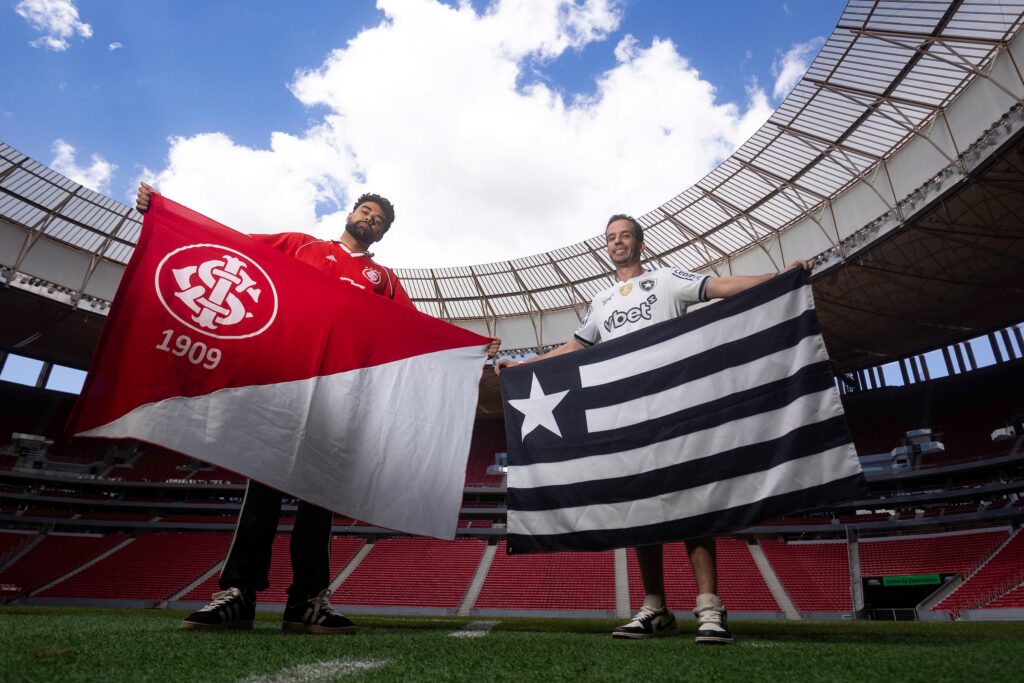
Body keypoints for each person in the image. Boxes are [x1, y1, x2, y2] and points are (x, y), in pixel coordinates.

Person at [136, 182, 499, 634]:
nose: (370, 219)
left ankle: (307, 601)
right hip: (282, 388)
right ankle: (237, 595)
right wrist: (169, 215)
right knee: (260, 495)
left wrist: (466, 348)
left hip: (340, 397)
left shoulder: (383, 280)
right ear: (350, 214)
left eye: (379, 220)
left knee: (318, 502)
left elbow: (413, 330)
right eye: (366, 211)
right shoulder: (299, 246)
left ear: (382, 234)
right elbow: (232, 246)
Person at [495, 214, 810, 644]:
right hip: (627, 419)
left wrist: (779, 277)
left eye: (625, 236)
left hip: (676, 409)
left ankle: (709, 607)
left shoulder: (665, 281)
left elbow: (716, 287)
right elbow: (573, 347)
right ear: (607, 248)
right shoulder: (602, 301)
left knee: (692, 504)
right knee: (639, 505)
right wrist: (525, 365)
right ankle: (655, 608)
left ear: (639, 243)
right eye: (611, 238)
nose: (617, 242)